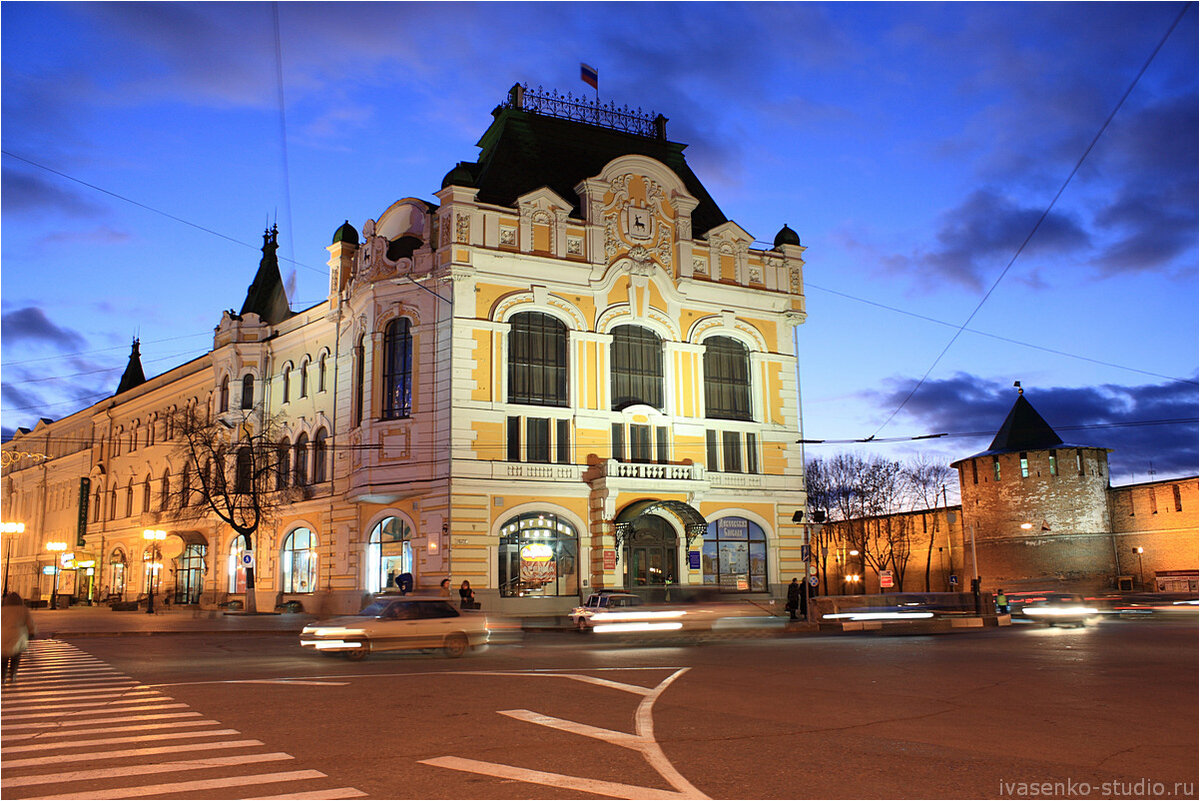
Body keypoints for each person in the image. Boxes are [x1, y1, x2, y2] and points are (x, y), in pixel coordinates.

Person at [2, 592, 37, 685]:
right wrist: (32, 633)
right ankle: (12, 675)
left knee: (3, 659)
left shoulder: (2, 610)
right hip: (18, 637)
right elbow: (30, 623)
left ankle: (2, 676)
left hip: (4, 637)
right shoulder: (23, 610)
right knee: (15, 658)